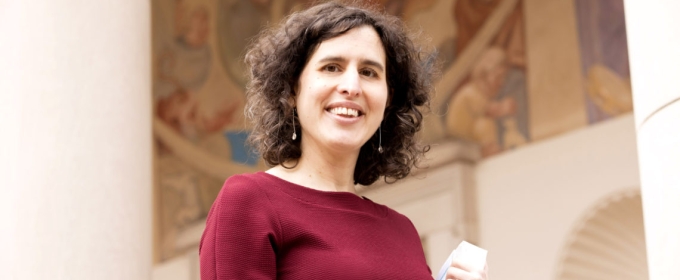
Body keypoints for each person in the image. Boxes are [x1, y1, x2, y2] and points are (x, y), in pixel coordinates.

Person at [199, 2, 489, 279]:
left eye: (368, 72)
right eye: (332, 67)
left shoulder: (403, 231)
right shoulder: (248, 201)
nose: (351, 86)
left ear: (388, 102)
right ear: (291, 91)